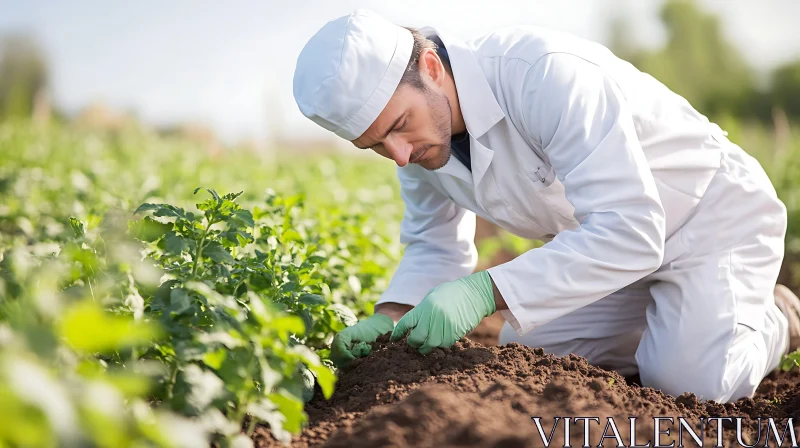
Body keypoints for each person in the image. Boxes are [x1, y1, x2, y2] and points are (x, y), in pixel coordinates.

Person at [292, 9, 800, 403]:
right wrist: (391, 317)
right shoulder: (419, 147)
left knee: (689, 382)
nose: (398, 157)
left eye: (398, 126)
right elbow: (433, 245)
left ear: (430, 67)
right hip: (611, 250)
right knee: (531, 357)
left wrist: (485, 291)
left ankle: (776, 317)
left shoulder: (542, 75)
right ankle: (683, 316)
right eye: (377, 145)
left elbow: (630, 227)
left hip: (709, 219)